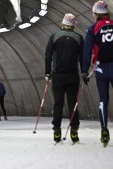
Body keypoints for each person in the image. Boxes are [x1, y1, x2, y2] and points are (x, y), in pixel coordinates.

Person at [45, 13, 84, 143]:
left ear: (62, 23)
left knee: (58, 104)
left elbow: (48, 56)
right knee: (73, 104)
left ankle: (56, 130)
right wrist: (84, 72)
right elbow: (83, 58)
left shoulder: (54, 37)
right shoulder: (79, 38)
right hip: (73, 76)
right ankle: (74, 131)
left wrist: (47, 72)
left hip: (57, 76)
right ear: (73, 26)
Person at [82, 1, 113, 144]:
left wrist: (84, 71)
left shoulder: (92, 29)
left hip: (100, 69)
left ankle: (104, 130)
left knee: (103, 100)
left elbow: (87, 51)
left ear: (95, 14)